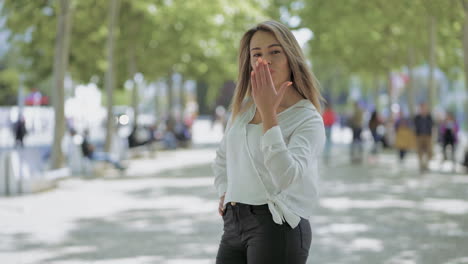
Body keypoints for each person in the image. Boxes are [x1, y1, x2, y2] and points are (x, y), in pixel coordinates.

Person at [212, 20, 325, 264]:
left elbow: (286, 176)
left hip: (276, 225)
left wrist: (269, 116)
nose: (265, 60)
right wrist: (225, 189)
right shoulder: (243, 110)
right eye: (257, 54)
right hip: (234, 223)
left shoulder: (307, 117)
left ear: (291, 57)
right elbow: (223, 158)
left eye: (275, 52)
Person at [413, 103, 434, 173]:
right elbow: (415, 126)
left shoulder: (429, 116)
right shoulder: (417, 117)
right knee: (420, 151)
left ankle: (426, 165)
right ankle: (421, 165)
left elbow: (432, 125)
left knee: (429, 151)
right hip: (419, 136)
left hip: (428, 136)